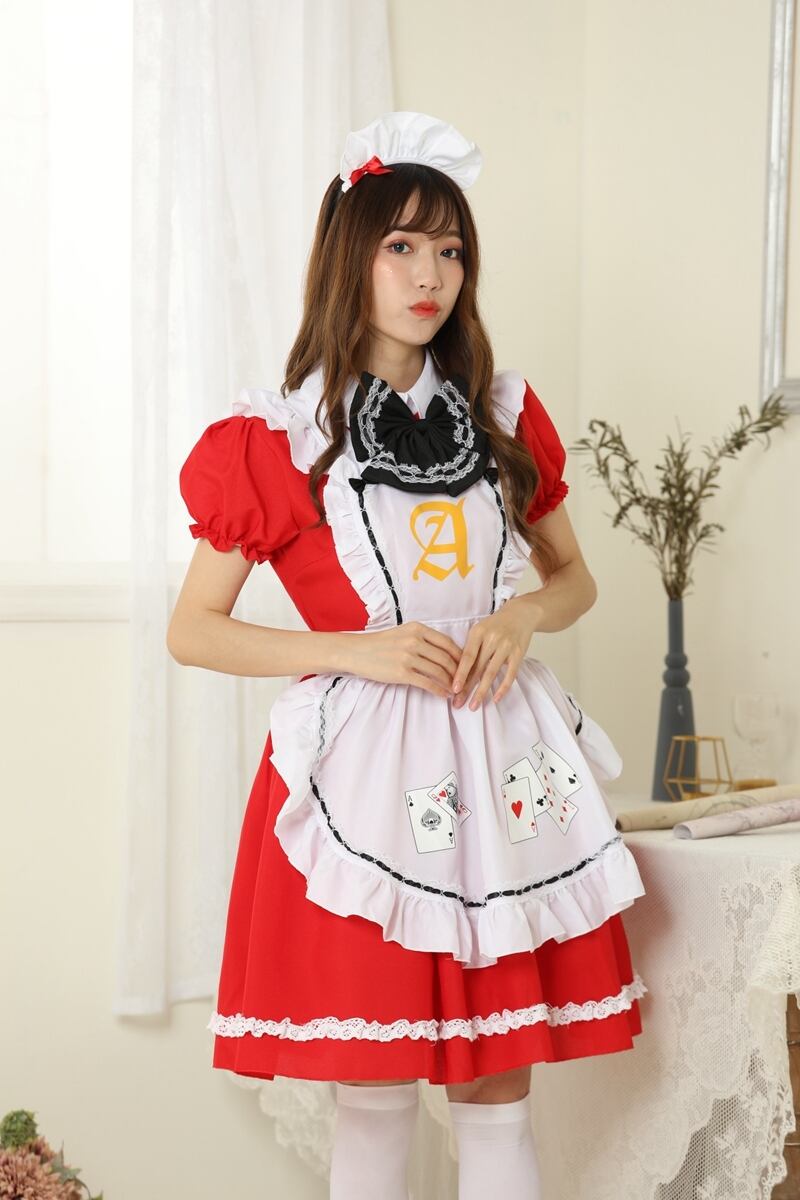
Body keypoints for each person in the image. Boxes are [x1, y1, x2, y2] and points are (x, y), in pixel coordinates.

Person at [168, 110, 648, 1200]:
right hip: (363, 781)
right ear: (352, 256)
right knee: (374, 1090)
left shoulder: (499, 414)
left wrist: (521, 618)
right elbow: (193, 628)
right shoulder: (278, 436)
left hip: (501, 764)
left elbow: (575, 579)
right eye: (401, 246)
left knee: (497, 1089)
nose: (429, 274)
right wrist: (357, 651)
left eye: (449, 249)